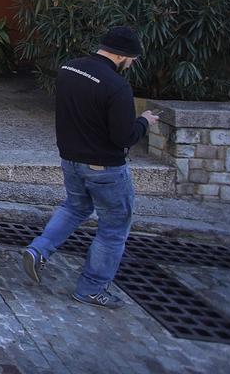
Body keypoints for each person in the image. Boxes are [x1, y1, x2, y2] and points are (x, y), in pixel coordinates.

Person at [21, 26, 160, 309]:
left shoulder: (68, 69)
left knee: (75, 207)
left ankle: (38, 249)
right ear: (123, 56)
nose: (132, 64)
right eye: (133, 59)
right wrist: (144, 121)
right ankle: (91, 289)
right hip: (104, 168)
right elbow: (124, 137)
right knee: (113, 229)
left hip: (70, 160)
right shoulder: (117, 86)